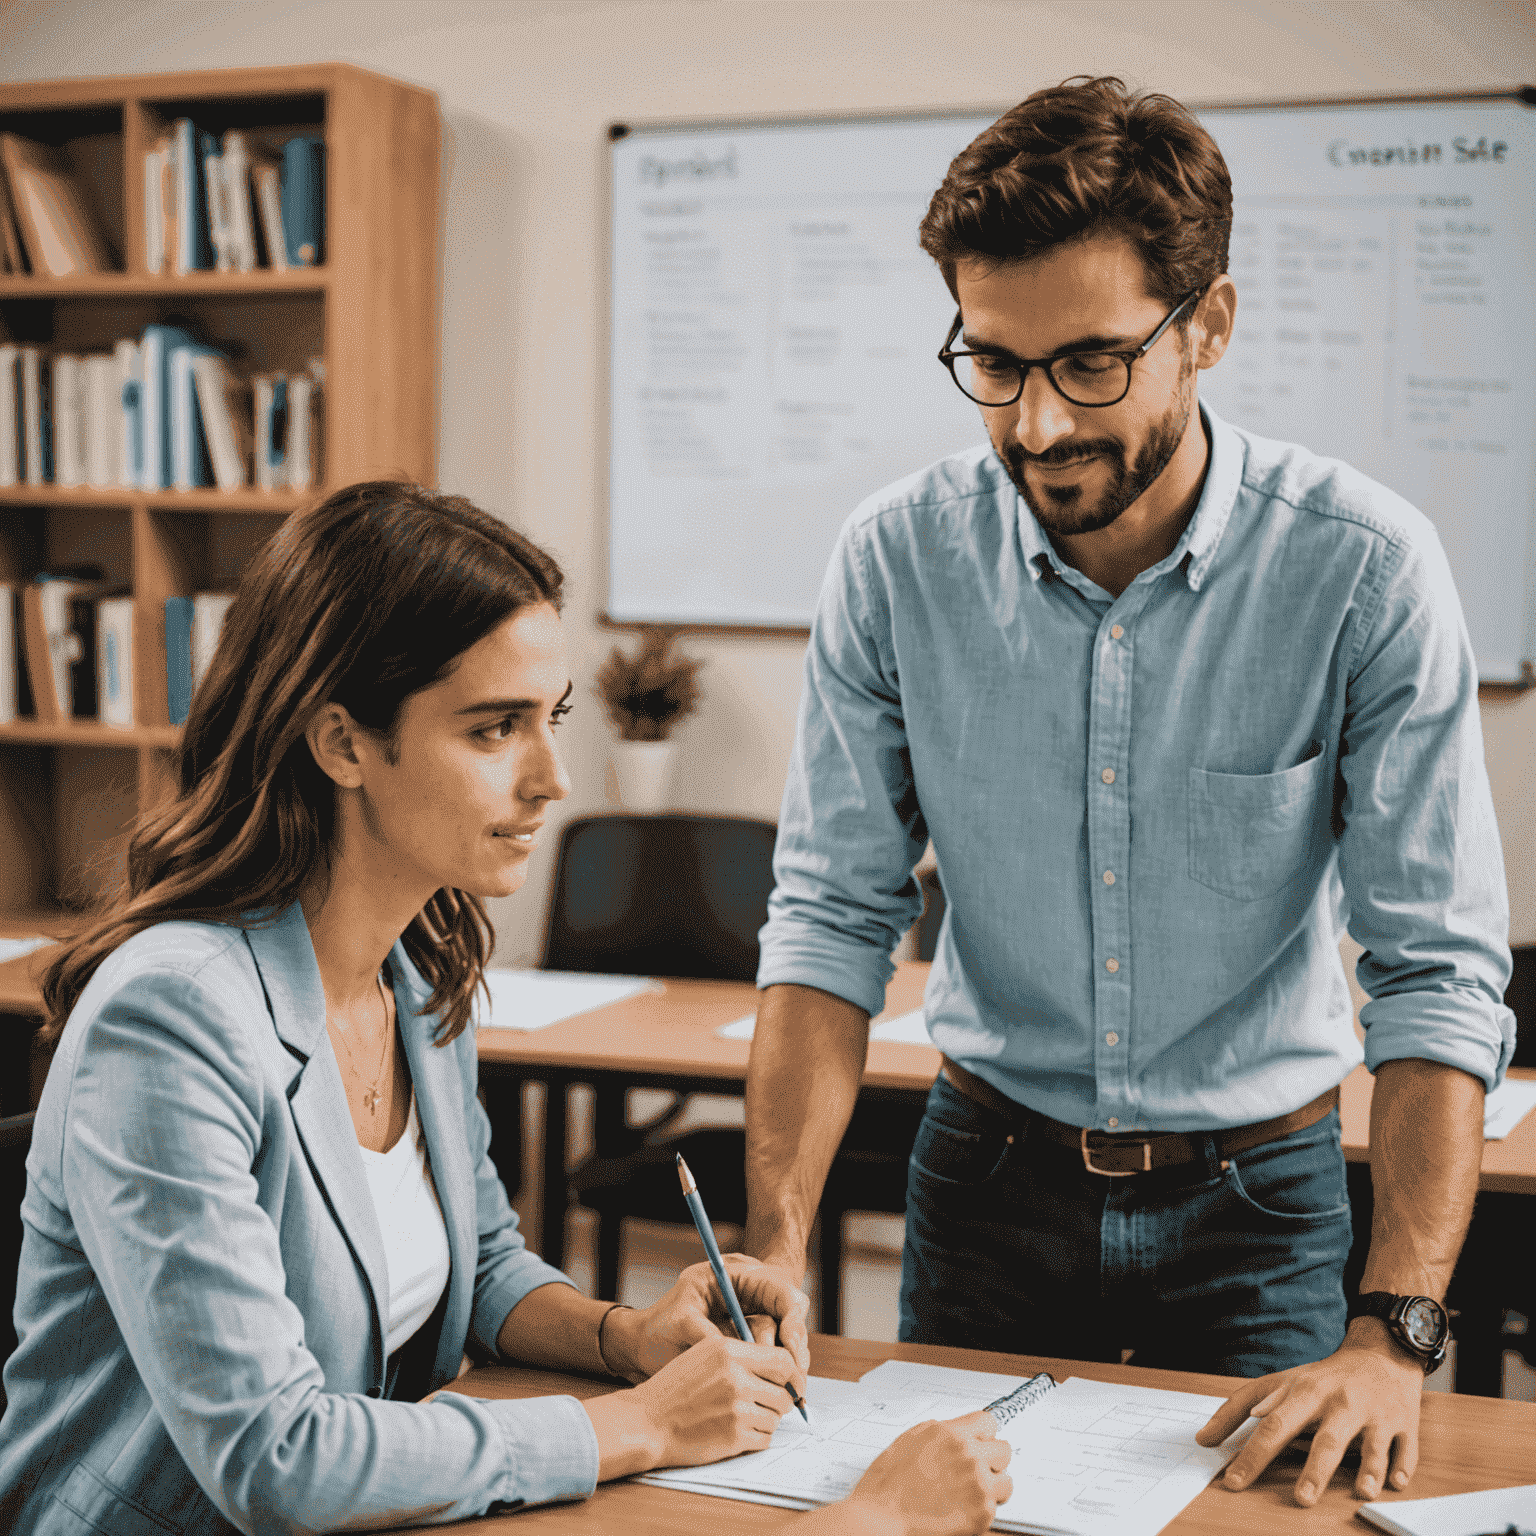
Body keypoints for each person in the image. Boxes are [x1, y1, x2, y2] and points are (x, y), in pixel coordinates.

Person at [744, 76, 1514, 1511]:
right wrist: (778, 1245)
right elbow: (829, 918)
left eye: (1093, 362)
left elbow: (1435, 972)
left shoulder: (1362, 571)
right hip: (982, 1178)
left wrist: (1395, 1330)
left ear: (1206, 324)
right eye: (994, 362)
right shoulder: (894, 562)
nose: (1037, 425)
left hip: (1263, 1205)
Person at [0, 481, 1011, 1535]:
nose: (553, 779)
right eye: (495, 731)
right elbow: (273, 1455)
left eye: (552, 719)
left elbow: (477, 1269)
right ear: (341, 743)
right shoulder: (171, 1017)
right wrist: (642, 1426)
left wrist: (629, 1339)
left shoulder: (416, 974)